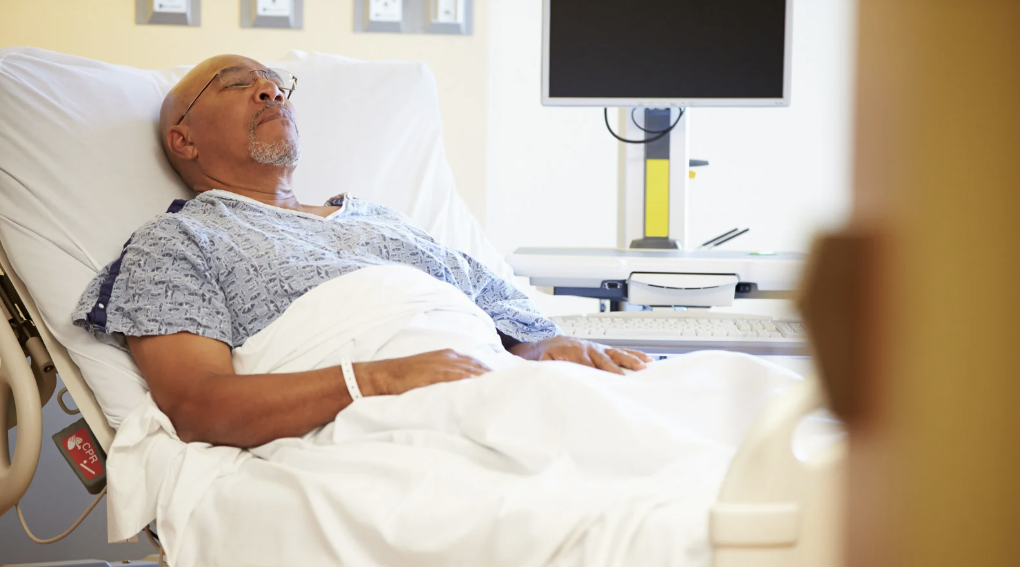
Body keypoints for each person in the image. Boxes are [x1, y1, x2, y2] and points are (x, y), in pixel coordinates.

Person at [73, 54, 650, 448]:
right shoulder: (176, 243)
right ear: (184, 139)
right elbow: (198, 406)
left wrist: (553, 351)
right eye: (234, 84)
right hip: (391, 425)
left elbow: (519, 334)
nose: (271, 89)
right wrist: (379, 379)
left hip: (495, 389)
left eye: (276, 83)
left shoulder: (384, 221)